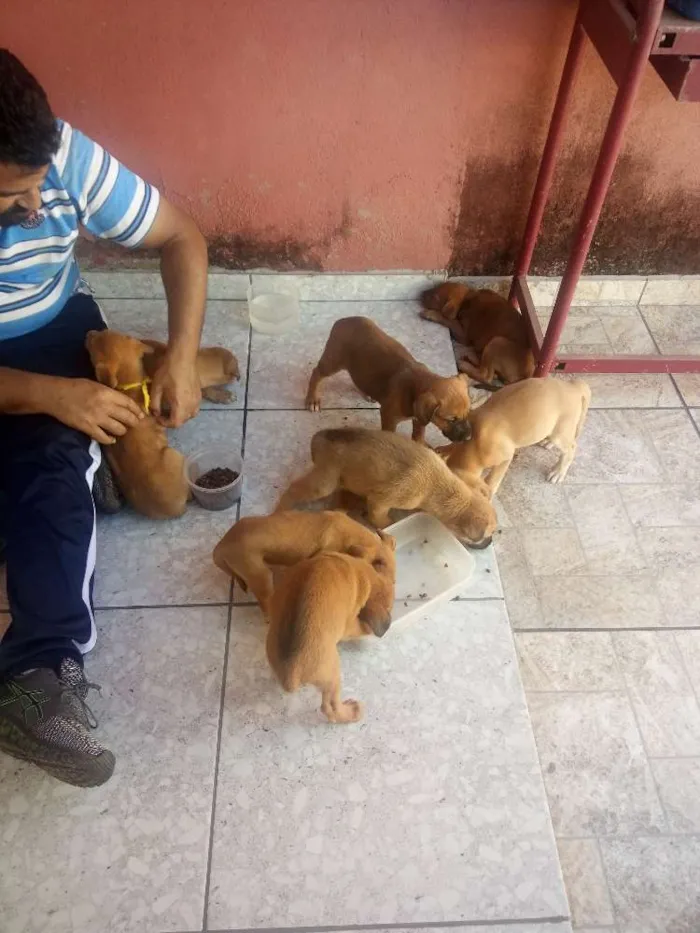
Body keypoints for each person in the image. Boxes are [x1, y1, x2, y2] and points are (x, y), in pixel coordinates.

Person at [0, 50, 208, 787]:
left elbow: (183, 238)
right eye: (9, 199)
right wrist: (48, 393)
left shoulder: (63, 157)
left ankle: (39, 675)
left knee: (54, 464)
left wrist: (180, 355)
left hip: (52, 329)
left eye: (35, 191)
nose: (32, 211)